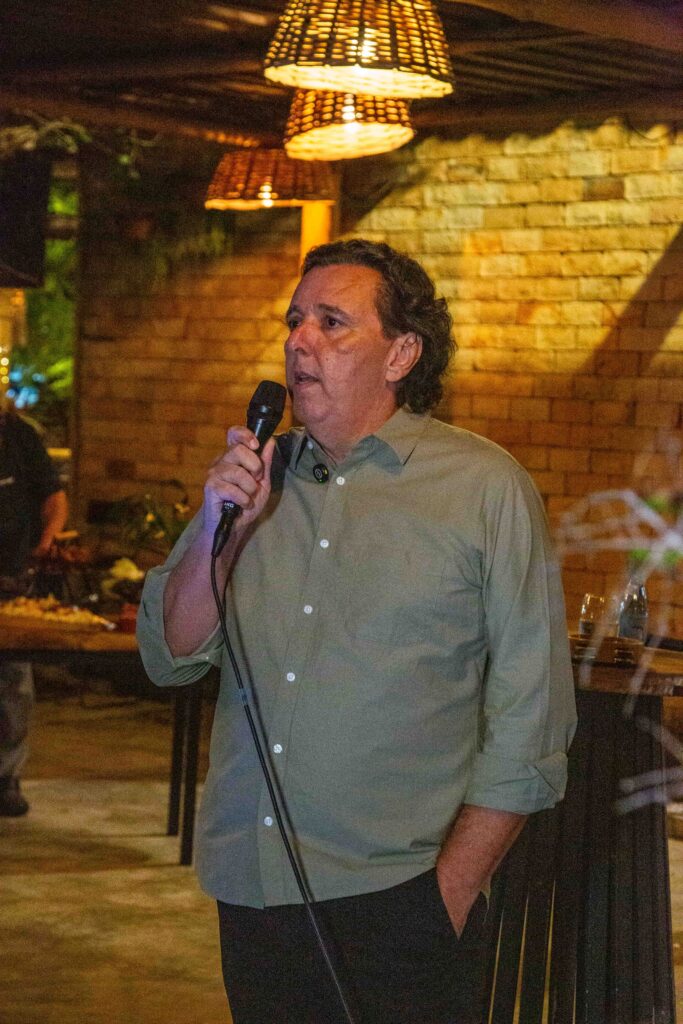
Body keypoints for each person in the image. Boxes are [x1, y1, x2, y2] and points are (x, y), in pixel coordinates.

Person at [138, 239, 577, 1024]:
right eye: (294, 321)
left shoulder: (484, 489)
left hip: (400, 897)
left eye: (331, 322)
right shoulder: (253, 482)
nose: (299, 340)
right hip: (254, 889)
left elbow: (531, 715)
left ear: (400, 353)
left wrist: (450, 891)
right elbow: (170, 656)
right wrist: (220, 531)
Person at [0, 404, 68, 816]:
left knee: (13, 687)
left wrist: (47, 542)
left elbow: (54, 497)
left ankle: (5, 778)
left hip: (11, 579)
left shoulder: (19, 436)